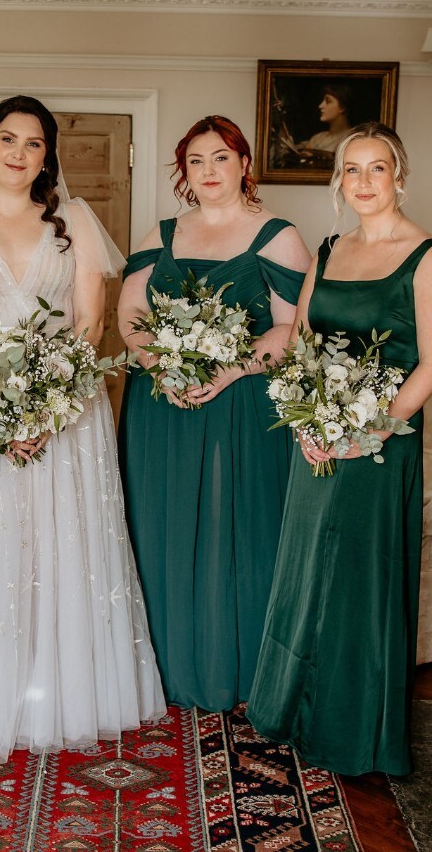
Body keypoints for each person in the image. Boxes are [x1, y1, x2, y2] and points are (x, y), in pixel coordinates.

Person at [0, 95, 165, 760]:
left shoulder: (73, 219)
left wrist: (50, 409)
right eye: (9, 139)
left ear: (48, 156)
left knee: (59, 546)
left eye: (35, 144)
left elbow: (88, 324)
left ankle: (64, 694)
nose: (20, 154)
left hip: (65, 414)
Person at [247, 122, 432, 776]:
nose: (363, 182)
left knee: (359, 580)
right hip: (316, 435)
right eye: (351, 170)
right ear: (338, 183)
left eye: (376, 168)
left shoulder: (425, 255)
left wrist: (371, 427)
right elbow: (299, 339)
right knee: (304, 572)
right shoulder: (327, 252)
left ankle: (355, 730)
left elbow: (430, 364)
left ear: (399, 175)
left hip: (381, 444)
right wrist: (304, 414)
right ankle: (290, 709)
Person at [116, 115, 311, 711]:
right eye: (196, 161)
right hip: (163, 409)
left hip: (242, 407)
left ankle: (243, 672)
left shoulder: (277, 236)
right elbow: (128, 315)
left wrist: (230, 369)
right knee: (161, 525)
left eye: (220, 158)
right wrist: (160, 365)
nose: (208, 172)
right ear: (184, 171)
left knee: (239, 530)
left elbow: (291, 330)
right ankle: (165, 670)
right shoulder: (162, 231)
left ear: (244, 165)